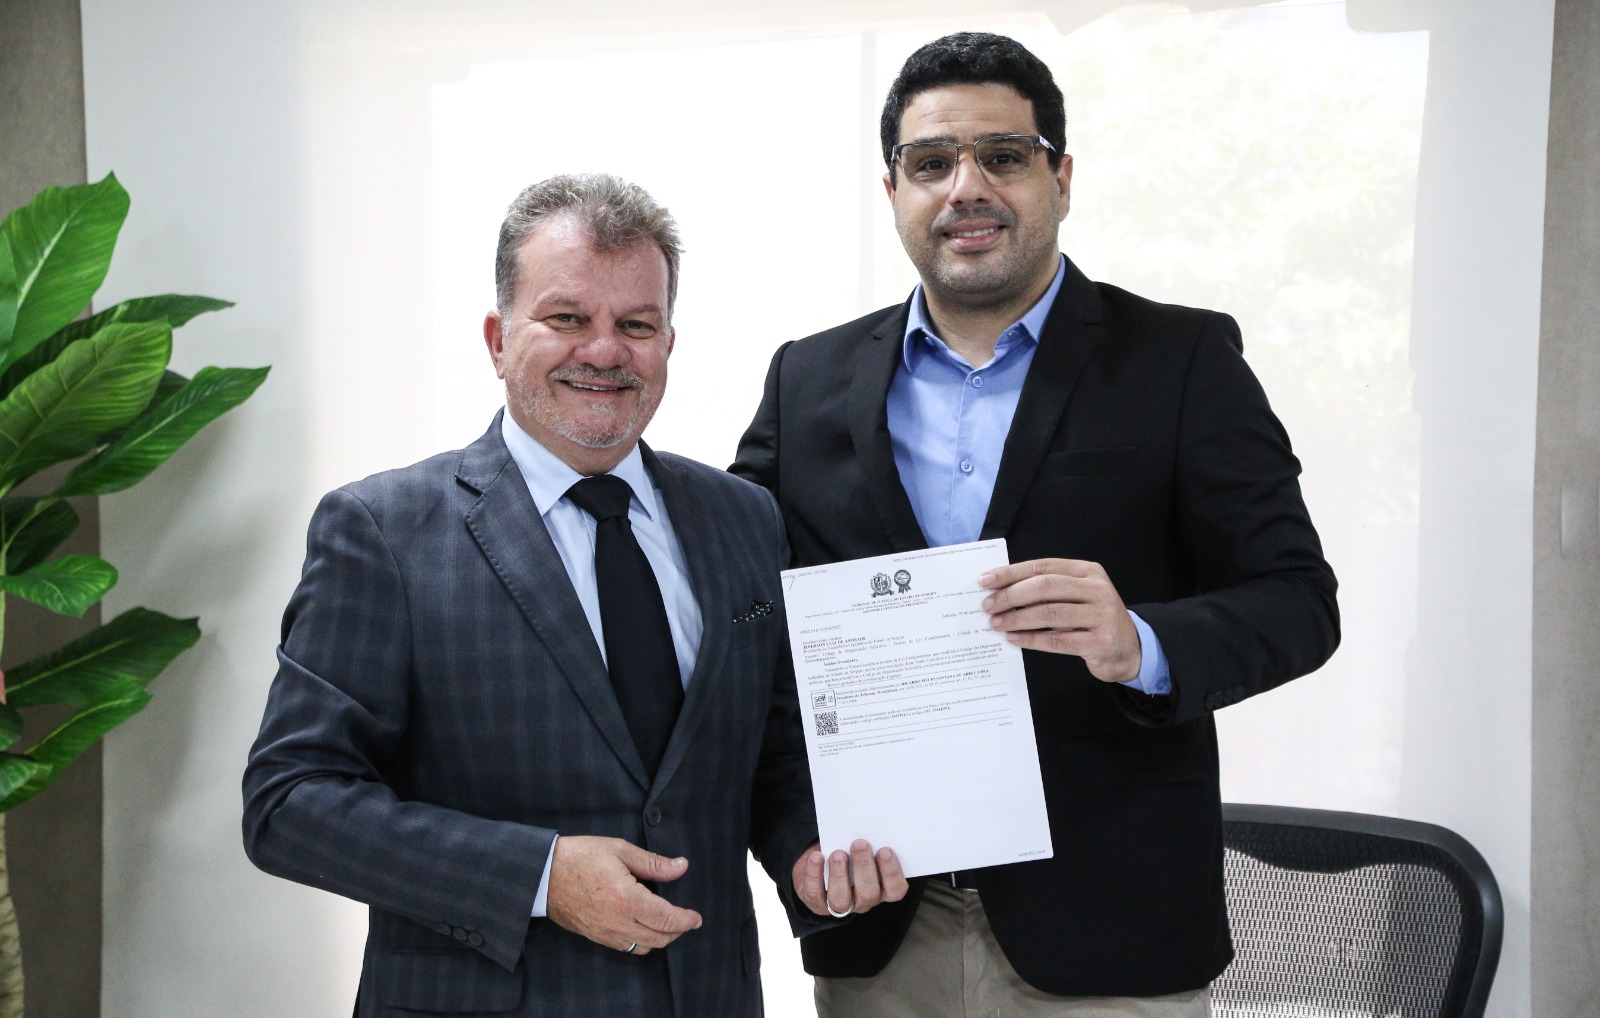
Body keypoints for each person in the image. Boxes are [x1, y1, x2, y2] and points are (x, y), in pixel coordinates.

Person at [731, 32, 1339, 1018]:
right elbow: (747, 635)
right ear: (893, 191)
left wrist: (1138, 641)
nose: (965, 186)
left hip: (1111, 931)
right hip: (884, 931)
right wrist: (796, 833)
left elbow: (1298, 603)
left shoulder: (1181, 360)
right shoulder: (806, 379)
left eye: (1003, 156)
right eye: (931, 162)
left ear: (1060, 177)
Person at [243, 173, 905, 1017]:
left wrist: (807, 847)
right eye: (565, 318)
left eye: (636, 325)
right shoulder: (384, 530)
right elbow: (290, 802)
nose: (604, 351)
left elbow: (772, 754)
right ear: (497, 340)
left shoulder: (743, 518)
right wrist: (540, 876)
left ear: (669, 342)